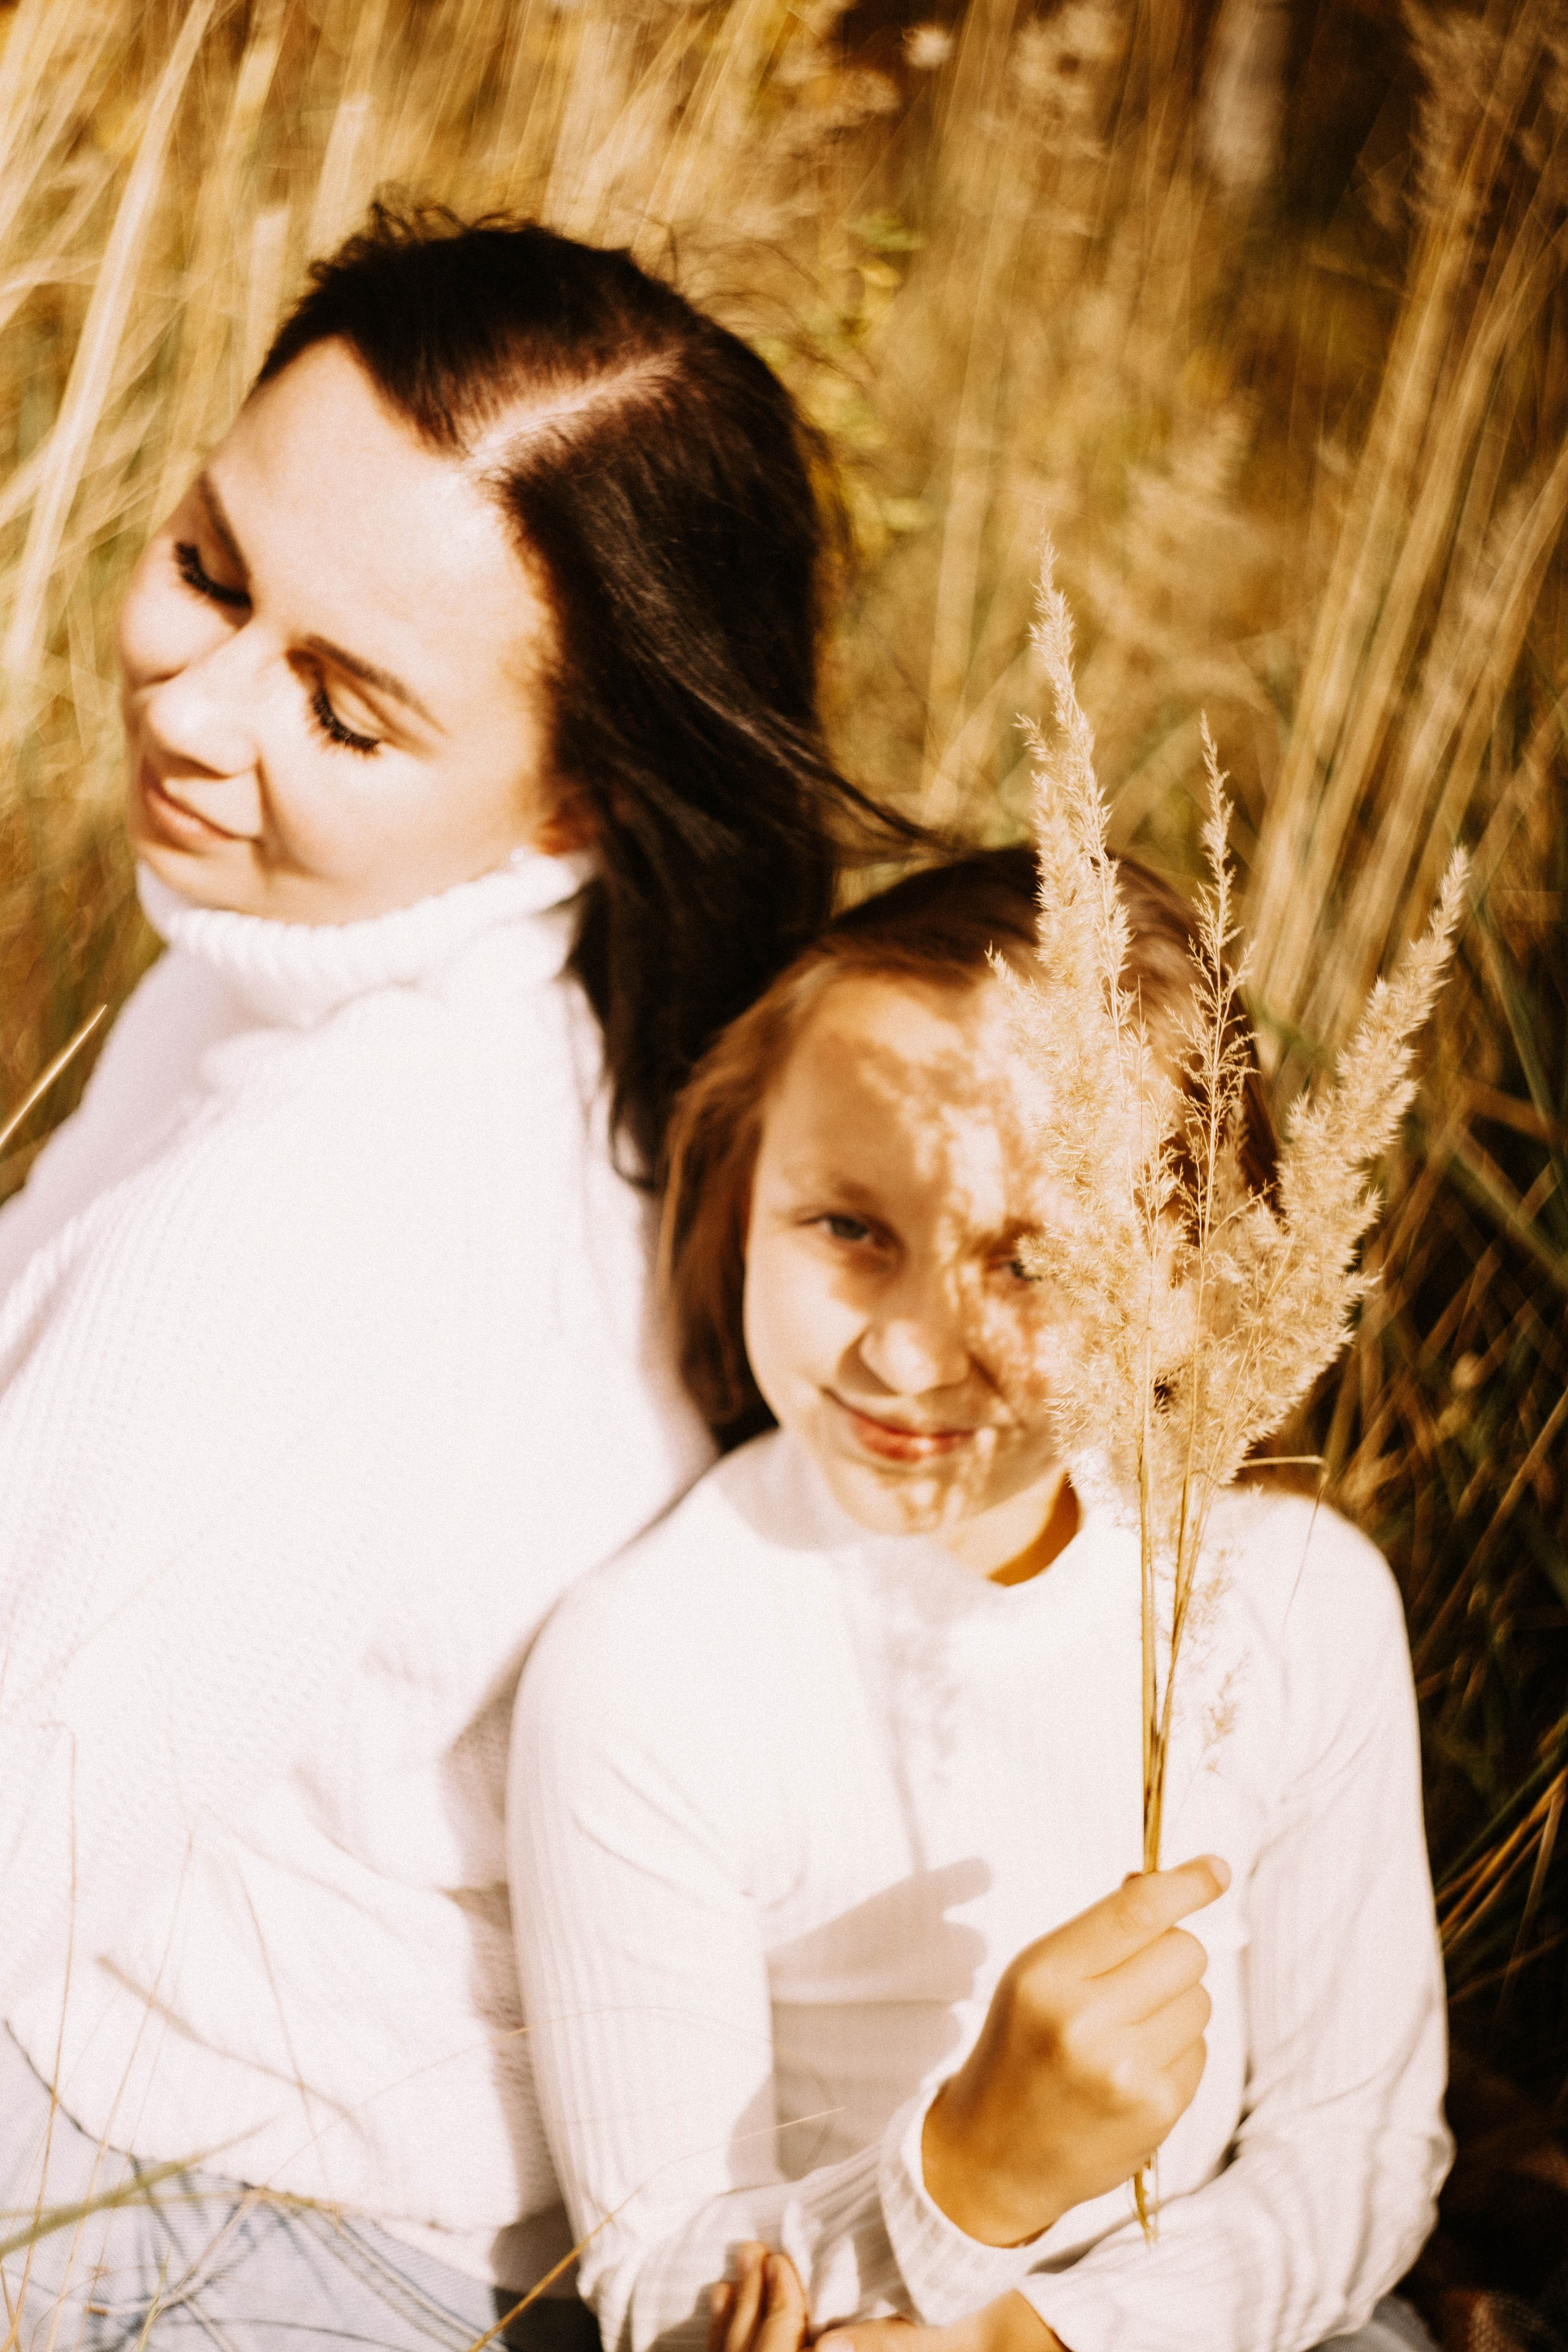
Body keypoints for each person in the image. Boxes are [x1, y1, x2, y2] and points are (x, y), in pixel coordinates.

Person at [0, 206, 906, 2351]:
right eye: (212, 567)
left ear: (578, 798)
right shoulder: (445, 994)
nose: (195, 704)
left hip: (206, 2220)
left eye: (344, 707)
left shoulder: (329, 1201)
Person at [508, 848, 1451, 2352]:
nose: (902, 1353)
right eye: (848, 1229)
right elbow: (662, 2283)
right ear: (745, 1188)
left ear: (1190, 1287)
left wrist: (1043, 2339)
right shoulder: (651, 1665)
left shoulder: (1288, 1607)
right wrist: (963, 2182)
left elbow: (1355, 2149)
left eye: (1027, 1261)